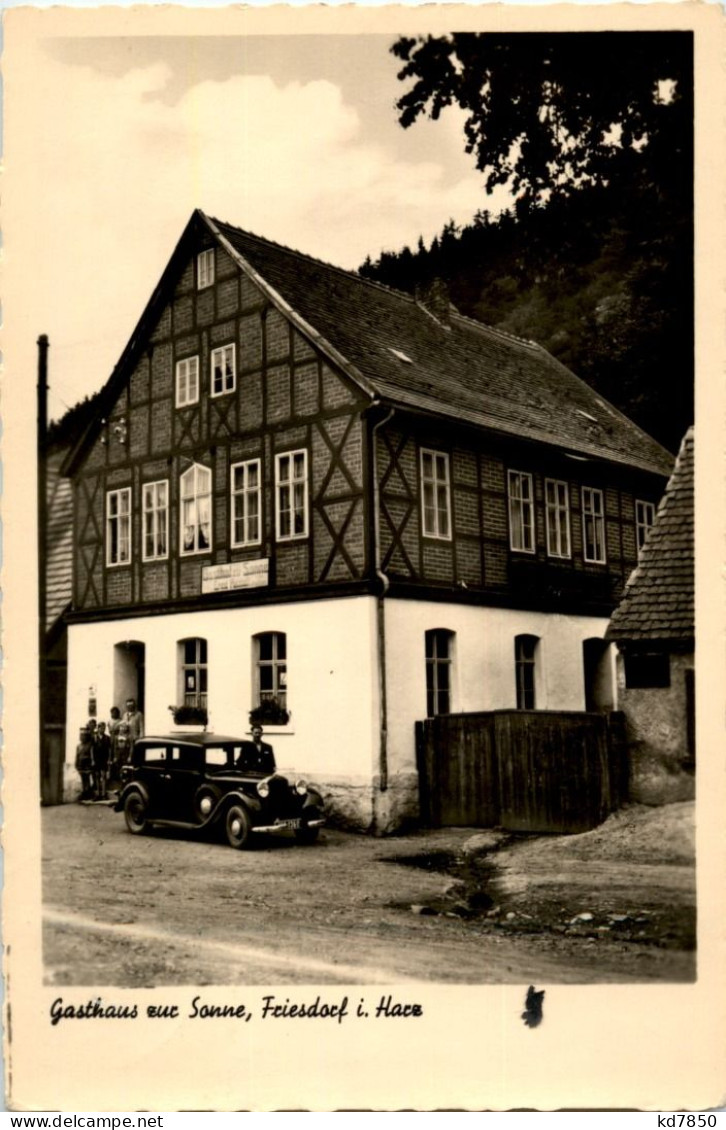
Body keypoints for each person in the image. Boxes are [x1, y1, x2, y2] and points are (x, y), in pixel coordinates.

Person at [74, 726, 95, 801]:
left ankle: (88, 792)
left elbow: (92, 754)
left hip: (87, 764)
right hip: (81, 764)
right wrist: (76, 763)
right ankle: (84, 791)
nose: (82, 738)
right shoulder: (78, 746)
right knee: (83, 779)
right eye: (81, 736)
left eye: (84, 736)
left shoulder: (89, 745)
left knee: (87, 779)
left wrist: (92, 761)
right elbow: (77, 755)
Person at [93, 721, 111, 800]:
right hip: (96, 759)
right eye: (100, 728)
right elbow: (92, 749)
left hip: (104, 759)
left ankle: (104, 794)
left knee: (103, 776)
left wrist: (109, 759)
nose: (102, 729)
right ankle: (98, 794)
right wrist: (93, 760)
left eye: (104, 728)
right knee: (97, 776)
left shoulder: (107, 738)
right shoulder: (94, 738)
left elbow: (109, 750)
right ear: (98, 728)